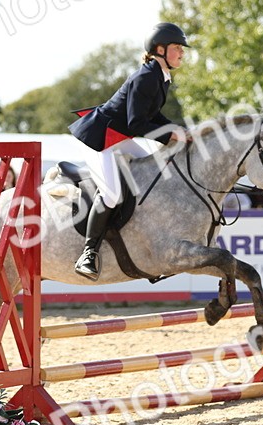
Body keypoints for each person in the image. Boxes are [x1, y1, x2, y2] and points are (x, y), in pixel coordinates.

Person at [68, 22, 192, 279]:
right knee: (112, 195)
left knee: (152, 173)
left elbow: (153, 115)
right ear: (160, 49)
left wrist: (176, 130)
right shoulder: (146, 76)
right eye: (177, 47)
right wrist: (170, 134)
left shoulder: (160, 77)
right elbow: (137, 123)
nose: (182, 52)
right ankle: (88, 253)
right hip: (98, 138)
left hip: (118, 136)